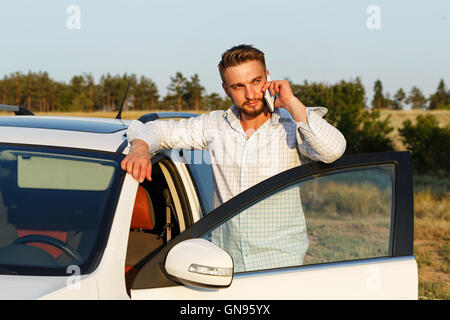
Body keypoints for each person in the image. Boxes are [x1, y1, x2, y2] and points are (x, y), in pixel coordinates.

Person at [121, 44, 346, 272]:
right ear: (226, 89)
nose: (250, 95)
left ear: (268, 78)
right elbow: (150, 129)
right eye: (238, 86)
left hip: (280, 265)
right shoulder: (213, 125)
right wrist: (140, 148)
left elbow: (333, 150)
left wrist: (291, 102)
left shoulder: (291, 126)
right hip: (224, 264)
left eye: (256, 82)